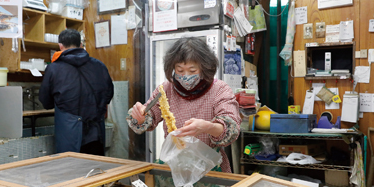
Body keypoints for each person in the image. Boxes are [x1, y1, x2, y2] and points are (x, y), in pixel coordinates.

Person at [126, 37, 241, 172]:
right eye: (180, 71)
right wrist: (140, 117)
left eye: (192, 71)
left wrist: (207, 127)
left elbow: (231, 127)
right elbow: (149, 115)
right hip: (175, 166)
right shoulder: (166, 89)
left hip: (210, 166)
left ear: (204, 68)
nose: (185, 76)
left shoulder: (219, 89)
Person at [39, 29, 114, 155]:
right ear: (80, 45)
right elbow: (108, 94)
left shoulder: (54, 68)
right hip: (96, 132)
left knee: (71, 170)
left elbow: (45, 101)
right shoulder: (99, 66)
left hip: (69, 132)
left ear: (60, 46)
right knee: (96, 170)